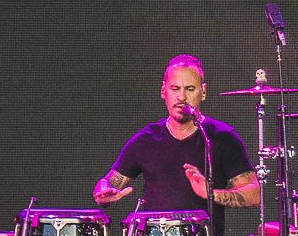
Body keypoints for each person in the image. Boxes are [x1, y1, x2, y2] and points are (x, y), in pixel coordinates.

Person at [94, 55, 260, 216]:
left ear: (203, 92)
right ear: (163, 91)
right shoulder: (146, 139)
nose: (182, 97)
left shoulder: (222, 137)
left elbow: (255, 195)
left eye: (190, 89)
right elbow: (109, 181)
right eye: (175, 89)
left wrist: (210, 192)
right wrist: (103, 192)